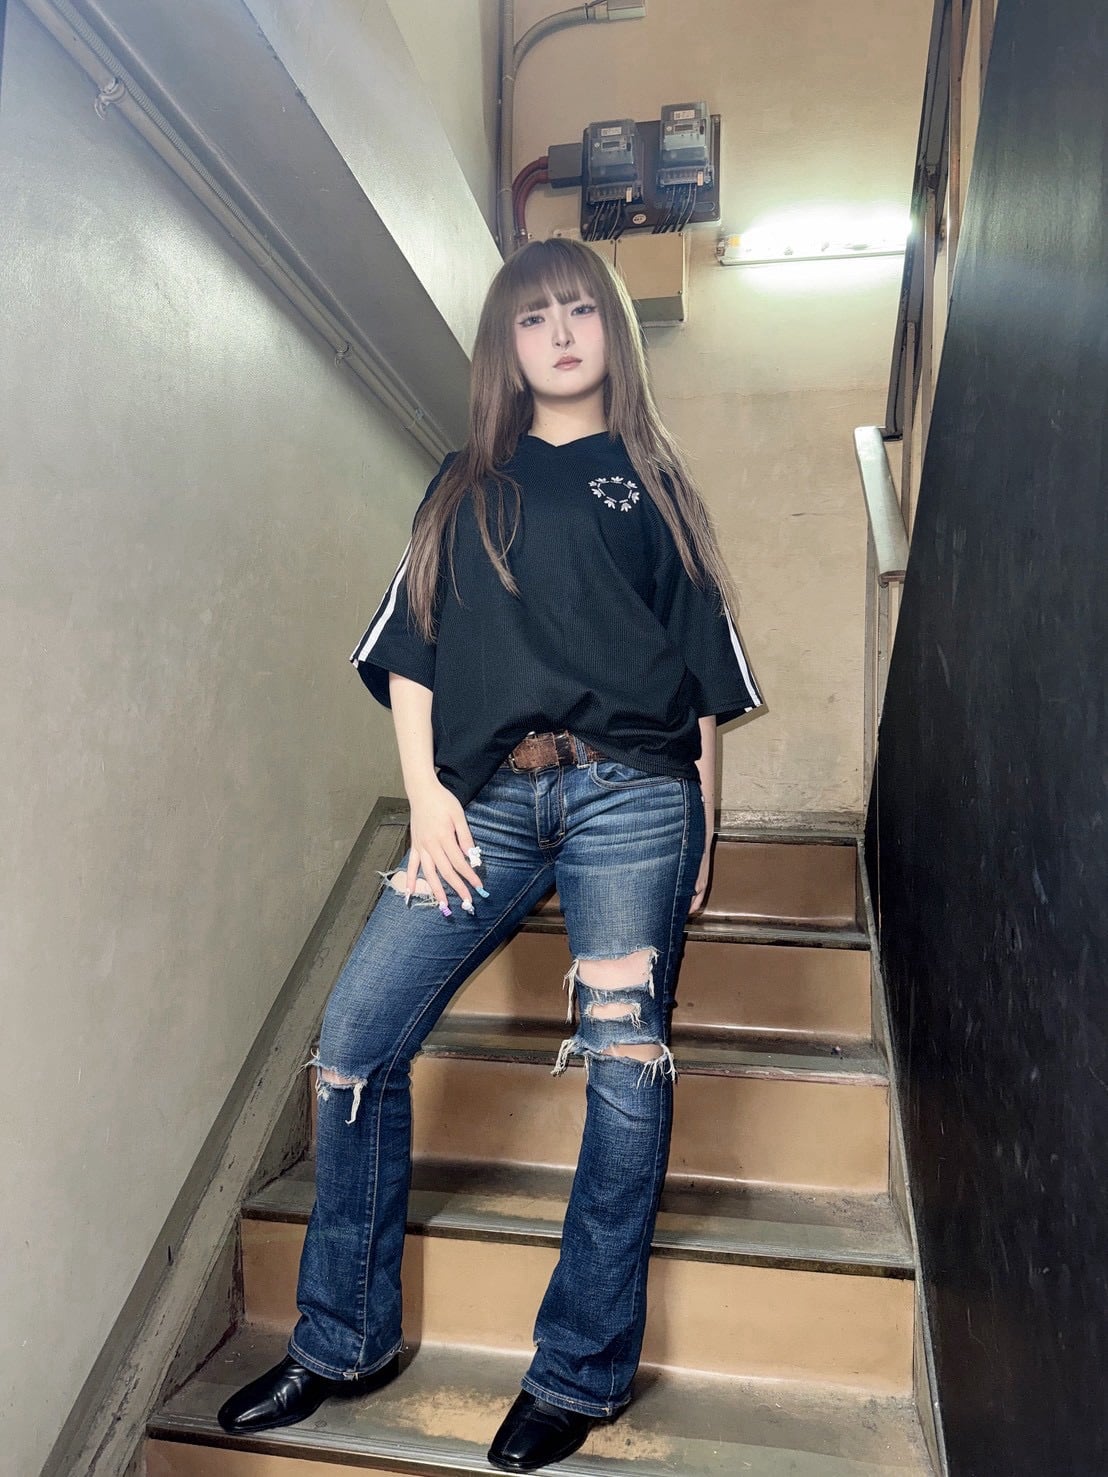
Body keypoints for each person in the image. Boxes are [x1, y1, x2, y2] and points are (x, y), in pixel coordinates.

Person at [217, 237, 762, 1472]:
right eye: (533, 317)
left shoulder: (655, 478)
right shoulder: (462, 480)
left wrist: (704, 830)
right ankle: (343, 1342)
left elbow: (702, 679)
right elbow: (411, 644)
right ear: (504, 347)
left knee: (624, 1068)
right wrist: (426, 796)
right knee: (354, 1042)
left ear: (611, 330)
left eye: (580, 310)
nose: (560, 332)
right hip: (485, 803)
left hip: (633, 797)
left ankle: (577, 1372)